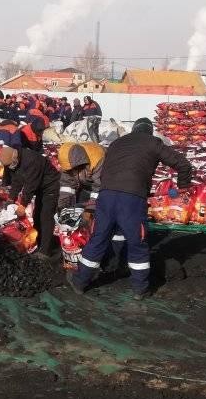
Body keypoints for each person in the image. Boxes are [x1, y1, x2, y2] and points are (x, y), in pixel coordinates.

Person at [71, 118, 193, 299]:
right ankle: (140, 289)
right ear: (149, 131)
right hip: (132, 199)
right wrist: (183, 186)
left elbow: (106, 170)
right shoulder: (153, 143)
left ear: (134, 129)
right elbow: (183, 164)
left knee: (99, 238)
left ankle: (80, 282)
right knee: (137, 243)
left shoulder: (116, 143)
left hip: (106, 196)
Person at [0, 144, 61, 262]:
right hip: (39, 188)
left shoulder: (32, 160)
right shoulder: (15, 162)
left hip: (50, 186)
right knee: (36, 216)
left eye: (10, 165)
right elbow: (17, 181)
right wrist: (11, 199)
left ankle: (45, 251)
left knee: (46, 217)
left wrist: (23, 205)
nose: (10, 168)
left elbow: (30, 186)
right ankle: (38, 243)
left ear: (15, 157)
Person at [56, 142, 106, 210]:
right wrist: (63, 206)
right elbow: (66, 186)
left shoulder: (97, 159)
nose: (71, 172)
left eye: (72, 170)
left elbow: (99, 188)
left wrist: (90, 210)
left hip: (104, 188)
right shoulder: (67, 163)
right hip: (86, 186)